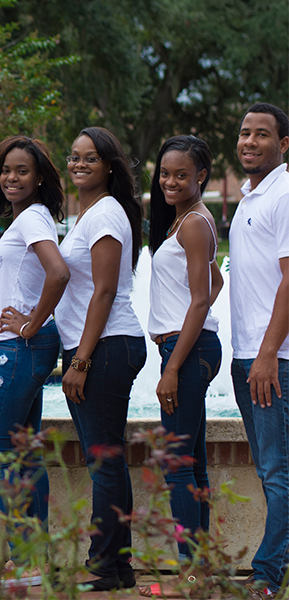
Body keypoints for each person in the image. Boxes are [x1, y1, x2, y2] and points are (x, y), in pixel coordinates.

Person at [0, 136, 70, 589]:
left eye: (23, 171)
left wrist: (31, 323)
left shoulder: (32, 218)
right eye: (7, 170)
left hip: (20, 349)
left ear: (39, 178)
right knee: (23, 454)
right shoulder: (28, 217)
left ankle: (29, 560)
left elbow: (59, 272)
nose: (12, 178)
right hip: (23, 348)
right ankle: (33, 561)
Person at [57, 127, 146, 591]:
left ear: (109, 165)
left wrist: (81, 360)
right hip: (101, 345)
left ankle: (101, 565)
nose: (78, 164)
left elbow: (105, 291)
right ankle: (118, 567)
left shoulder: (106, 214)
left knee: (103, 461)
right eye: (73, 157)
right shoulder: (89, 213)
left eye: (89, 158)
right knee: (108, 459)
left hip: (107, 346)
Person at [138, 136, 223, 598]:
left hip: (185, 352)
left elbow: (199, 298)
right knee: (193, 464)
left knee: (175, 465)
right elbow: (216, 282)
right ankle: (200, 573)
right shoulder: (189, 221)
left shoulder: (192, 224)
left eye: (181, 175)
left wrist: (172, 365)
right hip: (191, 346)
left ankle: (190, 577)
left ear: (201, 177)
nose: (170, 182)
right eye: (164, 174)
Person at [229, 103, 289, 600]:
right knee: (272, 467)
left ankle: (268, 574)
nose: (250, 142)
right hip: (246, 355)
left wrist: (268, 353)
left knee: (277, 469)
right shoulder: (250, 197)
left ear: (283, 145)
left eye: (262, 134)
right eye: (245, 133)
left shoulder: (285, 193)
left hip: (275, 358)